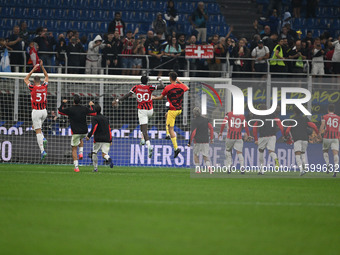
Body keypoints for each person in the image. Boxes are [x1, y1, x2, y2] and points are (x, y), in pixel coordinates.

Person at [112, 76, 166, 158]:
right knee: (142, 124)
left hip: (142, 110)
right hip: (150, 110)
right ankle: (142, 139)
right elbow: (162, 86)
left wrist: (118, 100)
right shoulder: (149, 87)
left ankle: (149, 145)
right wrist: (160, 79)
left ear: (140, 80)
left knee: (144, 129)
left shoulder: (136, 87)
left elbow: (127, 95)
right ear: (147, 81)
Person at [152, 72, 189, 158]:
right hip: (179, 109)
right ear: (176, 78)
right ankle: (167, 134)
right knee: (166, 115)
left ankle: (176, 148)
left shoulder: (168, 87)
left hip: (173, 110)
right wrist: (179, 81)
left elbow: (161, 97)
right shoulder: (181, 86)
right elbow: (187, 87)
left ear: (170, 78)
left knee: (171, 128)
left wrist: (154, 98)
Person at [58, 95, 97, 172]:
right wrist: (91, 106)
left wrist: (63, 103)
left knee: (74, 149)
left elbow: (60, 111)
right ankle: (81, 153)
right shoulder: (84, 108)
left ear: (73, 101)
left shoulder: (70, 109)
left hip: (75, 131)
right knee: (81, 138)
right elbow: (94, 113)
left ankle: (76, 167)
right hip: (84, 131)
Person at [23, 59, 48, 160]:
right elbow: (47, 76)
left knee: (37, 131)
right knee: (35, 127)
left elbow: (25, 79)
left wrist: (33, 69)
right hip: (44, 111)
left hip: (36, 112)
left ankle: (42, 151)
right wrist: (42, 67)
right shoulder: (44, 86)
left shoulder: (32, 88)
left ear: (34, 81)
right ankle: (43, 138)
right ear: (40, 81)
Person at [285, 107, 319, 176]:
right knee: (303, 153)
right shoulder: (305, 119)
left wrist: (286, 136)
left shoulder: (292, 120)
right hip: (305, 139)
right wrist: (317, 133)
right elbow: (314, 126)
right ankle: (305, 168)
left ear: (294, 112)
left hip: (297, 139)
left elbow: (288, 130)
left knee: (297, 155)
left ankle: (301, 170)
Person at [252, 104, 284, 174]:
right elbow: (279, 123)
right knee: (271, 151)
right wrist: (283, 134)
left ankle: (261, 170)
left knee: (261, 151)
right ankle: (275, 158)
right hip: (272, 136)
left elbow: (254, 128)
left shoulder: (258, 116)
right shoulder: (273, 115)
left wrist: (256, 139)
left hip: (263, 137)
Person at [86, 104, 113, 172]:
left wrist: (89, 136)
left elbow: (94, 127)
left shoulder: (94, 118)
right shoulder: (105, 118)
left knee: (94, 153)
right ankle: (109, 158)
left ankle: (95, 168)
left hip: (98, 138)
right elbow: (109, 129)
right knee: (104, 154)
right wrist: (110, 140)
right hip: (107, 138)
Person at [188, 107, 214, 171]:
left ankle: (198, 170)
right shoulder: (206, 120)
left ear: (194, 114)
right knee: (205, 156)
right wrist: (211, 138)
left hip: (197, 141)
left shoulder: (194, 121)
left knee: (196, 155)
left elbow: (193, 132)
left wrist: (189, 142)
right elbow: (211, 128)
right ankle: (209, 168)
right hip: (205, 141)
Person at [318, 104, 340, 177]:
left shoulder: (324, 116)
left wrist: (319, 133)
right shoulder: (338, 118)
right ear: (334, 110)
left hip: (327, 137)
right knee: (335, 153)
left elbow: (323, 125)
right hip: (335, 137)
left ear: (328, 110)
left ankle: (328, 165)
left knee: (325, 151)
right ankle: (336, 167)